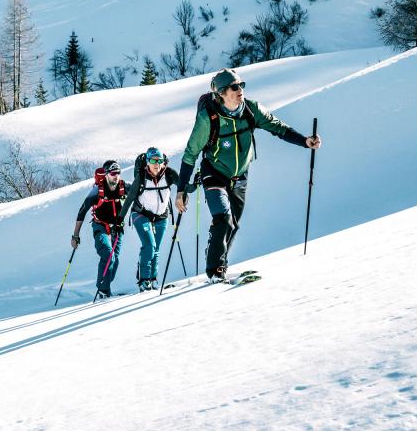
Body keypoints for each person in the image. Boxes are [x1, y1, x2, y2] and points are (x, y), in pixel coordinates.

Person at [174, 69, 321, 281]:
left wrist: (304, 141)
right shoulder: (208, 119)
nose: (240, 90)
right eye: (235, 87)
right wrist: (181, 191)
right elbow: (190, 155)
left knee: (233, 223)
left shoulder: (252, 109)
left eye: (241, 85)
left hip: (240, 175)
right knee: (223, 217)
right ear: (223, 93)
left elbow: (278, 128)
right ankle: (215, 270)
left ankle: (218, 259)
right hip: (214, 172)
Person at [121, 147, 178, 291]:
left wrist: (195, 183)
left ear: (164, 162)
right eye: (153, 160)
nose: (156, 164)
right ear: (147, 162)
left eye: (159, 161)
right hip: (141, 214)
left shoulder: (169, 175)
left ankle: (153, 279)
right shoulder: (141, 177)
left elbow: (185, 187)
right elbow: (130, 198)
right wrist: (119, 219)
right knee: (149, 246)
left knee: (156, 249)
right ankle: (144, 280)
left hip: (161, 216)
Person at [72, 160, 127, 299]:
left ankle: (105, 287)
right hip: (100, 225)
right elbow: (82, 211)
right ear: (107, 174)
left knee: (115, 260)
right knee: (108, 255)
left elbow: (138, 192)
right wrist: (75, 236)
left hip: (117, 228)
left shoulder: (123, 186)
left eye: (118, 173)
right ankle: (103, 291)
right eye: (113, 173)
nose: (116, 176)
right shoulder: (97, 191)